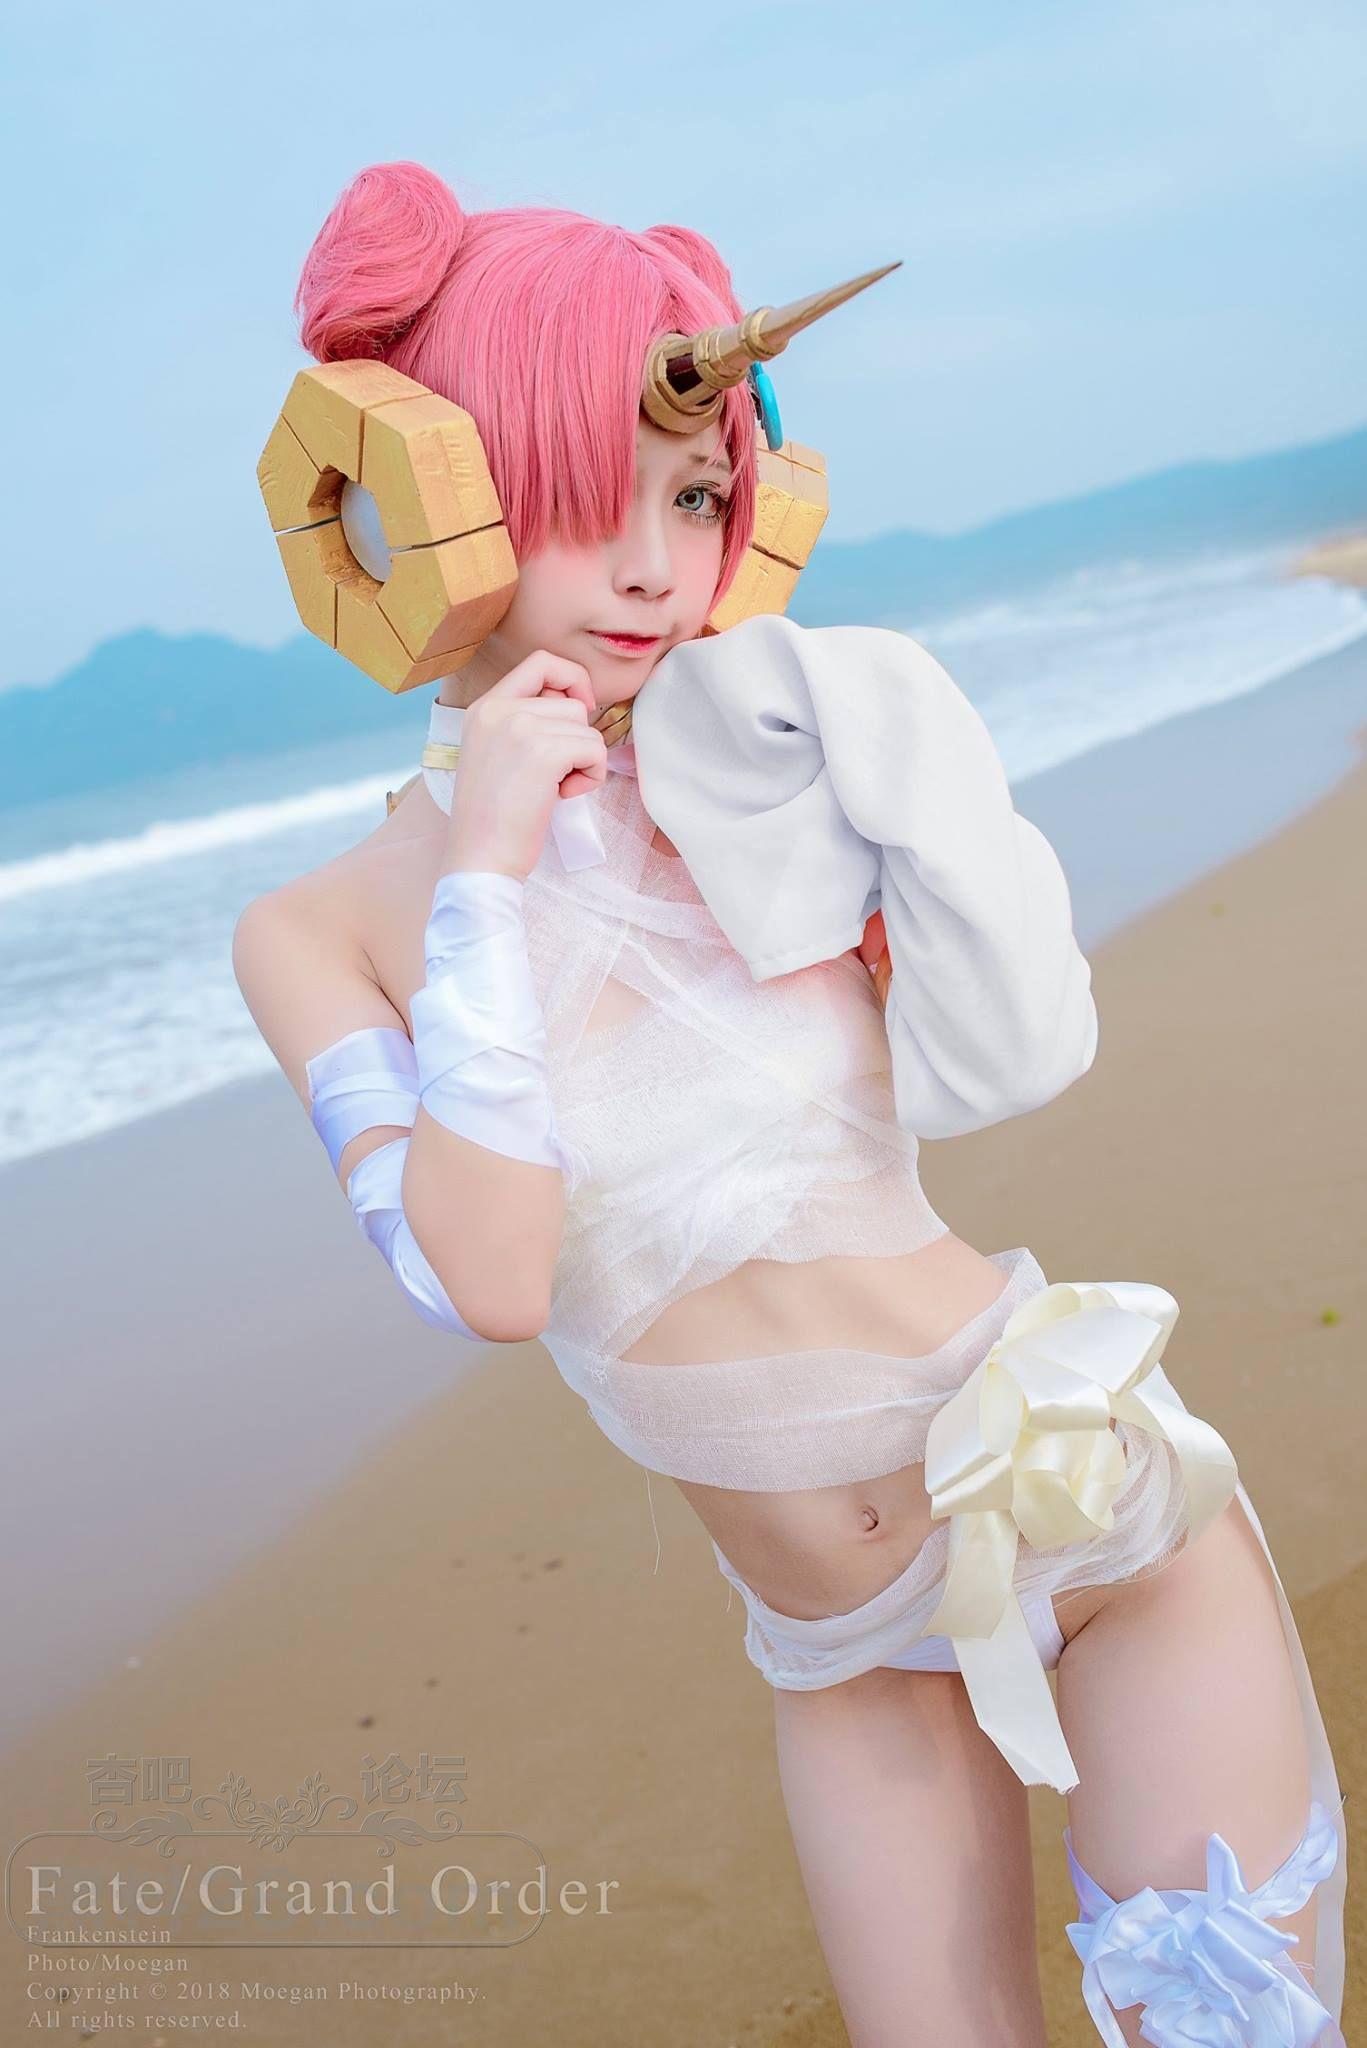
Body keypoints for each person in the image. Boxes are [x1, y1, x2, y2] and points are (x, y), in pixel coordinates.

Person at [233, 160, 1347, 2046]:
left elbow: (1013, 1036)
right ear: (434, 495)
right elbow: (487, 1276)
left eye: (694, 496)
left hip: (1097, 1513)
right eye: (592, 498)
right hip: (846, 1660)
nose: (656, 567)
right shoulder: (322, 932)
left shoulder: (761, 779)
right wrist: (486, 869)